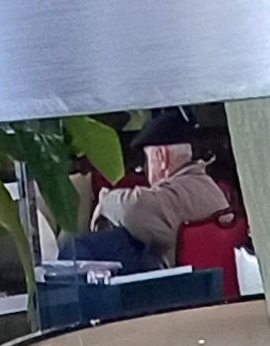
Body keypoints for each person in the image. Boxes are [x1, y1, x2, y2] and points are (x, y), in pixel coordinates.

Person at [83, 109, 233, 269]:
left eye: (147, 160)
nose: (145, 169)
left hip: (183, 282)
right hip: (215, 279)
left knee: (82, 246)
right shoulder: (209, 187)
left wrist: (105, 199)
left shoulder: (172, 197)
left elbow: (132, 208)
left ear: (161, 157)